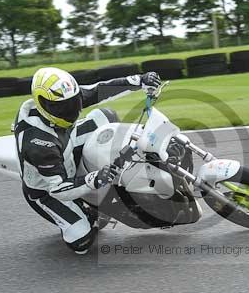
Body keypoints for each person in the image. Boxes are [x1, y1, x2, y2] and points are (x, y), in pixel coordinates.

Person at [12, 67, 162, 254]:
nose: (71, 110)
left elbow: (100, 90)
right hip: (46, 190)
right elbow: (58, 189)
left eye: (73, 103)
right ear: (43, 104)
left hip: (65, 143)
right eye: (62, 108)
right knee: (82, 241)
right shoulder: (38, 143)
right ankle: (88, 209)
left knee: (106, 116)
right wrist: (94, 179)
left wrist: (140, 80)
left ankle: (145, 149)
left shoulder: (61, 98)